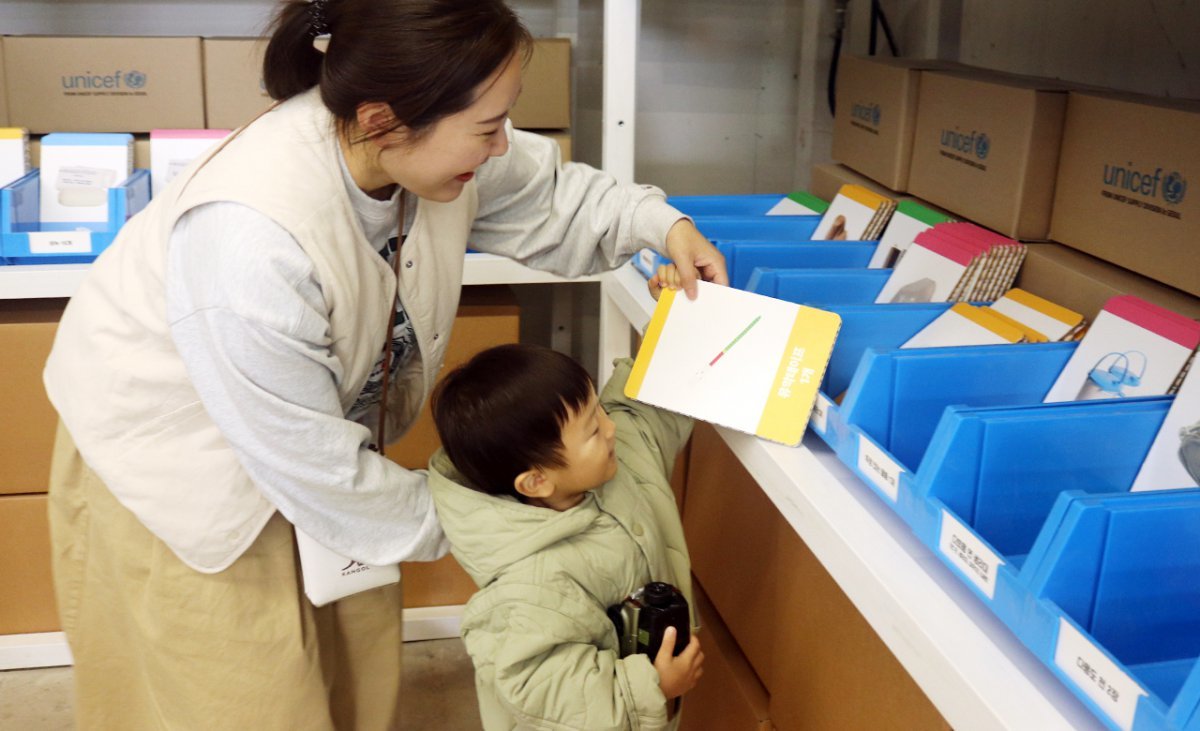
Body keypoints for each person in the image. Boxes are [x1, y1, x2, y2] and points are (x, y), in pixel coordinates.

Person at [40, 0, 727, 728]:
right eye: (488, 128)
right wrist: (510, 524)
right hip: (183, 469)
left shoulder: (422, 138)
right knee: (246, 695)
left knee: (357, 670)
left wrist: (663, 225)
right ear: (380, 122)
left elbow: (548, 194)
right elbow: (314, 469)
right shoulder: (248, 240)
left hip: (322, 443)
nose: (499, 147)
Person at [427, 268, 702, 730]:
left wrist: (670, 323)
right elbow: (548, 690)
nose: (610, 427)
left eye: (598, 408)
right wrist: (652, 686)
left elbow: (644, 406)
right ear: (535, 482)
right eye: (593, 429)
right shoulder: (529, 590)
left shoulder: (616, 457)